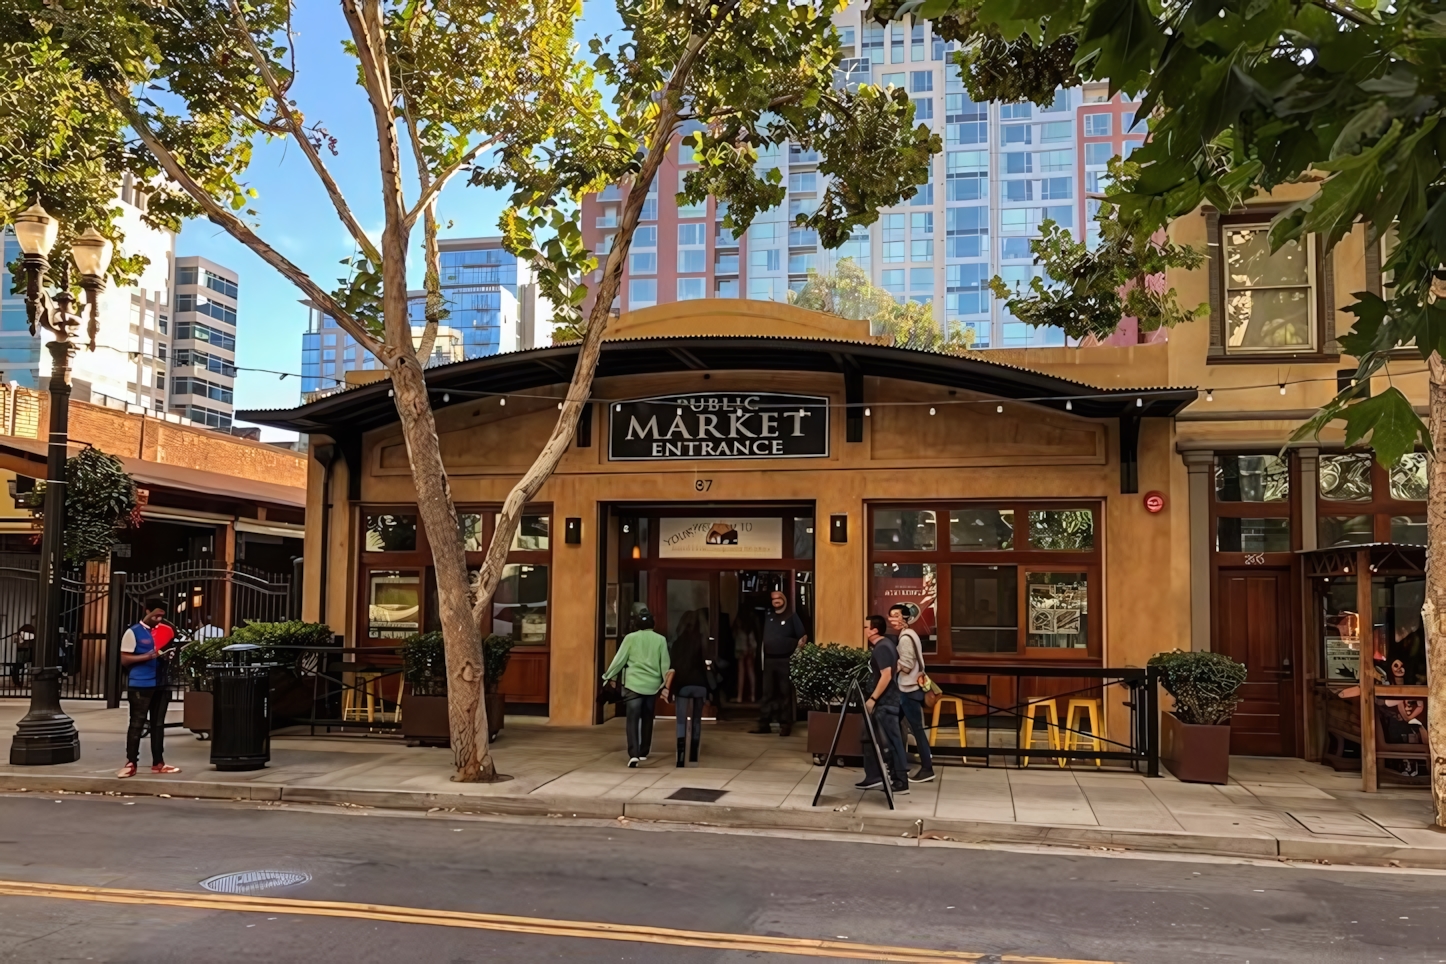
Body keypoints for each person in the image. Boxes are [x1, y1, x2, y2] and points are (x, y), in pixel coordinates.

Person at [118, 599, 181, 778]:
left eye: (162, 615)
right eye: (156, 615)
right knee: (136, 724)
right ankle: (131, 762)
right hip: (140, 683)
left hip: (161, 682)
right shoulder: (133, 632)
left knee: (158, 724)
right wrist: (147, 656)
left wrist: (169, 656)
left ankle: (158, 762)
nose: (159, 619)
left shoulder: (167, 631)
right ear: (147, 611)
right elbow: (125, 659)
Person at [603, 607, 671, 767]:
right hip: (652, 685)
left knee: (632, 719)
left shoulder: (630, 638)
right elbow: (665, 664)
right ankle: (644, 751)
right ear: (652, 624)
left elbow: (619, 660)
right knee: (648, 718)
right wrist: (665, 685)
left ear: (636, 624)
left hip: (633, 684)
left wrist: (609, 676)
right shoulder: (660, 640)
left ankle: (633, 754)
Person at [857, 615, 908, 794]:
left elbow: (886, 675)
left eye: (865, 627)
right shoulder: (884, 645)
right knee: (874, 738)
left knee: (892, 741)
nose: (863, 630)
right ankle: (874, 776)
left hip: (886, 702)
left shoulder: (882, 647)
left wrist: (873, 699)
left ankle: (900, 781)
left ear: (874, 630)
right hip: (886, 701)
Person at [889, 604, 935, 783]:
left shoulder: (906, 638)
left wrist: (892, 665)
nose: (893, 620)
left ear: (906, 618)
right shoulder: (911, 634)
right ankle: (897, 763)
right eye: (891, 616)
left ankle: (927, 768)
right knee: (893, 724)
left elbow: (907, 666)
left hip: (908, 690)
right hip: (908, 689)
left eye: (896, 616)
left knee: (916, 730)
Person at [754, 590, 808, 736]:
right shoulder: (769, 617)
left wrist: (795, 650)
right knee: (767, 693)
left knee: (785, 693)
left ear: (784, 599)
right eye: (773, 599)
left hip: (785, 660)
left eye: (778, 598)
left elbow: (802, 636)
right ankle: (764, 723)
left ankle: (785, 724)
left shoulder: (791, 616)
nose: (776, 601)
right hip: (770, 660)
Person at [663, 610, 709, 767]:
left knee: (681, 721)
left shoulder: (677, 644)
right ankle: (694, 756)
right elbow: (705, 665)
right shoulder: (701, 642)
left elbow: (674, 667)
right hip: (700, 685)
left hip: (683, 685)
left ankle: (680, 758)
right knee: (697, 720)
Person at [733, 609, 759, 704]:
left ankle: (739, 696)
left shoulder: (738, 622)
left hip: (741, 647)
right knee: (751, 671)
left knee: (741, 672)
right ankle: (753, 695)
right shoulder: (752, 622)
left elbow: (734, 634)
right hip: (751, 645)